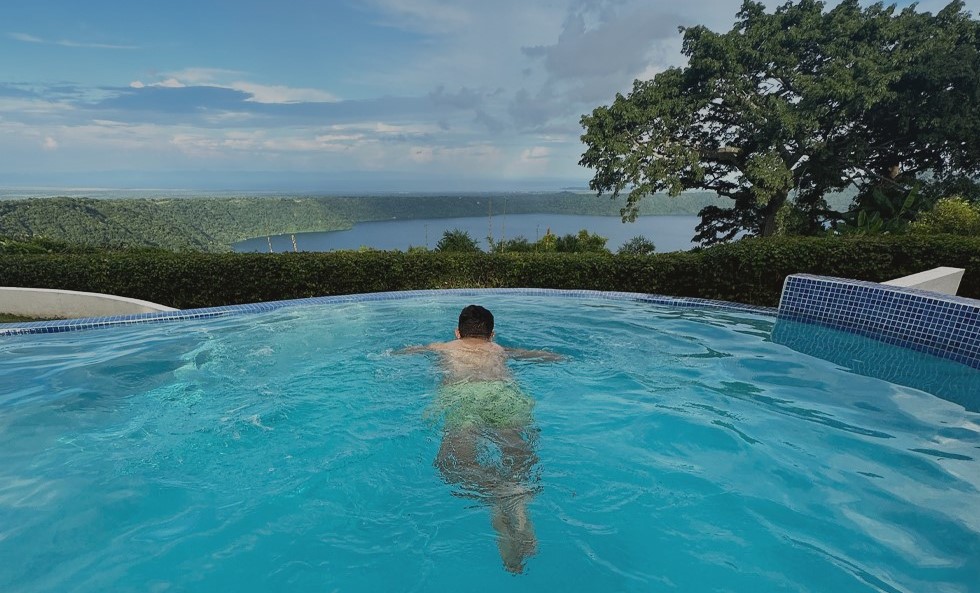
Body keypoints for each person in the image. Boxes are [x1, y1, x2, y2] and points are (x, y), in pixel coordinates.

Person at [399, 304, 562, 574]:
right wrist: (558, 357)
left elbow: (406, 352)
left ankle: (496, 498)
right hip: (504, 395)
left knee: (453, 465)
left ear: (457, 332)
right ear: (492, 335)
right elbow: (540, 356)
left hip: (464, 397)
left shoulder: (445, 347)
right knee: (518, 455)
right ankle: (518, 498)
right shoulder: (500, 351)